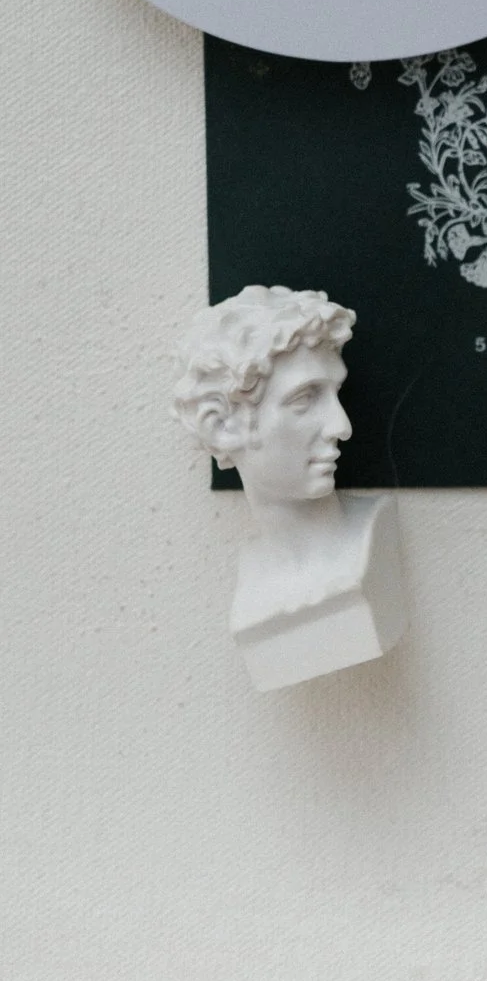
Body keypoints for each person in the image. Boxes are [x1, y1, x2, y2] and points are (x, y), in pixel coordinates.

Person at [170, 287, 406, 690]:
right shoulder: (253, 591)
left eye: (335, 394)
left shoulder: (372, 538)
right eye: (304, 399)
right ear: (221, 425)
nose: (341, 426)